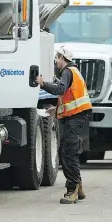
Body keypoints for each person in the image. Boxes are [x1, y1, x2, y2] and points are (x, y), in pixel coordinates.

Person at [36, 46, 92, 204]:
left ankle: (71, 190)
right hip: (77, 116)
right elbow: (69, 96)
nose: (56, 60)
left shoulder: (68, 71)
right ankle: (78, 186)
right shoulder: (73, 72)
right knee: (68, 151)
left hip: (76, 117)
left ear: (64, 58)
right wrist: (57, 108)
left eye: (58, 57)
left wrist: (43, 83)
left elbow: (59, 89)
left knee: (68, 152)